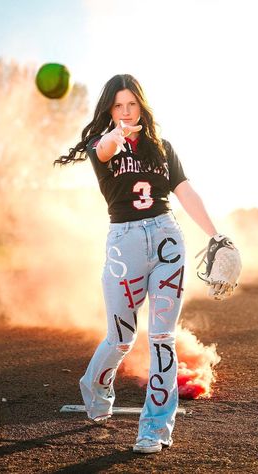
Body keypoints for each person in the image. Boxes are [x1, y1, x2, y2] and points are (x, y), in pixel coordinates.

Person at [55, 74, 219, 454]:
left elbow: (185, 191)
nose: (126, 111)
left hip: (167, 240)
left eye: (131, 104)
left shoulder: (163, 148)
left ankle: (154, 431)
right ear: (109, 110)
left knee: (162, 338)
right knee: (121, 338)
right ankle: (96, 390)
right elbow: (104, 150)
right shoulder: (103, 144)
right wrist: (115, 137)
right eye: (118, 105)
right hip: (123, 245)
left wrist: (215, 234)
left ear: (141, 106)